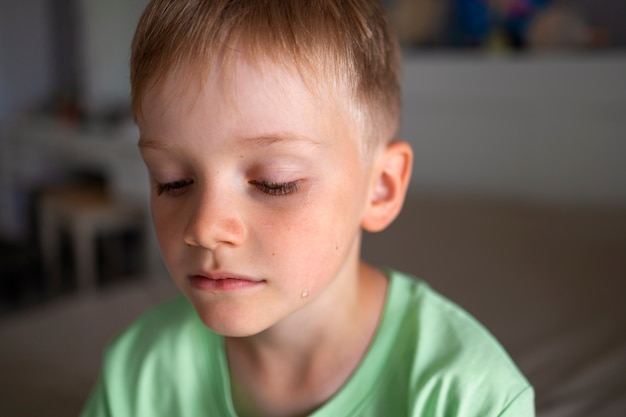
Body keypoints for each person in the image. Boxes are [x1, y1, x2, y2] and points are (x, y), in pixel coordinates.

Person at [81, 0, 534, 416]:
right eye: (173, 181)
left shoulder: (469, 396)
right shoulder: (136, 373)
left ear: (380, 187)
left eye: (275, 184)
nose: (204, 227)